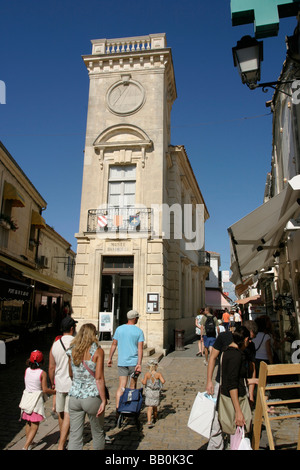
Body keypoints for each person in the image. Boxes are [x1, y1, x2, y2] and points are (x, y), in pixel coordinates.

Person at [205, 320, 258, 450]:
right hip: (223, 383)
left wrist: (250, 393)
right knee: (220, 418)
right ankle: (216, 446)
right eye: (249, 338)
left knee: (238, 421)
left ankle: (233, 444)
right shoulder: (225, 339)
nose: (250, 341)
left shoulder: (249, 346)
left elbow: (252, 370)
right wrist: (209, 380)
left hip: (240, 387)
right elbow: (212, 357)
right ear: (245, 333)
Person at [67, 323, 107, 450]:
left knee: (74, 435)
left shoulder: (72, 350)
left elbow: (70, 373)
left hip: (74, 396)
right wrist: (104, 399)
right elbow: (99, 378)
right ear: (94, 335)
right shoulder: (98, 351)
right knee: (98, 433)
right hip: (91, 396)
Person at [218, 326, 258, 443]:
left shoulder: (226, 352)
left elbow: (233, 378)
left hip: (229, 397)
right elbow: (232, 384)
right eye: (249, 340)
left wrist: (252, 381)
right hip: (235, 400)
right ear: (245, 339)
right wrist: (238, 411)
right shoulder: (237, 356)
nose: (249, 342)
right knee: (239, 436)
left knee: (236, 437)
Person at [107, 309, 145, 419]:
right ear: (134, 318)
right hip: (133, 363)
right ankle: (130, 408)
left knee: (121, 386)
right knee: (132, 386)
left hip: (122, 362)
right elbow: (140, 349)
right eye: (137, 317)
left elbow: (114, 344)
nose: (138, 319)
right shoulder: (139, 331)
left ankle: (118, 409)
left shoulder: (119, 329)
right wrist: (139, 363)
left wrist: (110, 358)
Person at [48, 316, 77, 450]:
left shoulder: (55, 344)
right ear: (72, 329)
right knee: (68, 413)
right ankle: (63, 442)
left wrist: (52, 382)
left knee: (60, 412)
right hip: (72, 383)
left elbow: (51, 367)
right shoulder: (77, 343)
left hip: (59, 383)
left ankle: (62, 437)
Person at [19, 350, 55, 450]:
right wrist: (55, 391)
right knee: (35, 425)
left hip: (26, 399)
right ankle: (26, 446)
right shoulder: (42, 373)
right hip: (36, 401)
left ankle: (30, 442)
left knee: (28, 423)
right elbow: (45, 389)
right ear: (42, 361)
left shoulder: (27, 370)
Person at [141, 359, 165, 428]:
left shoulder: (147, 374)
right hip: (155, 392)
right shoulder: (158, 374)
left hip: (149, 392)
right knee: (155, 406)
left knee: (149, 407)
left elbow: (144, 383)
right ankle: (155, 417)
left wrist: (142, 380)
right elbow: (163, 381)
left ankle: (149, 421)